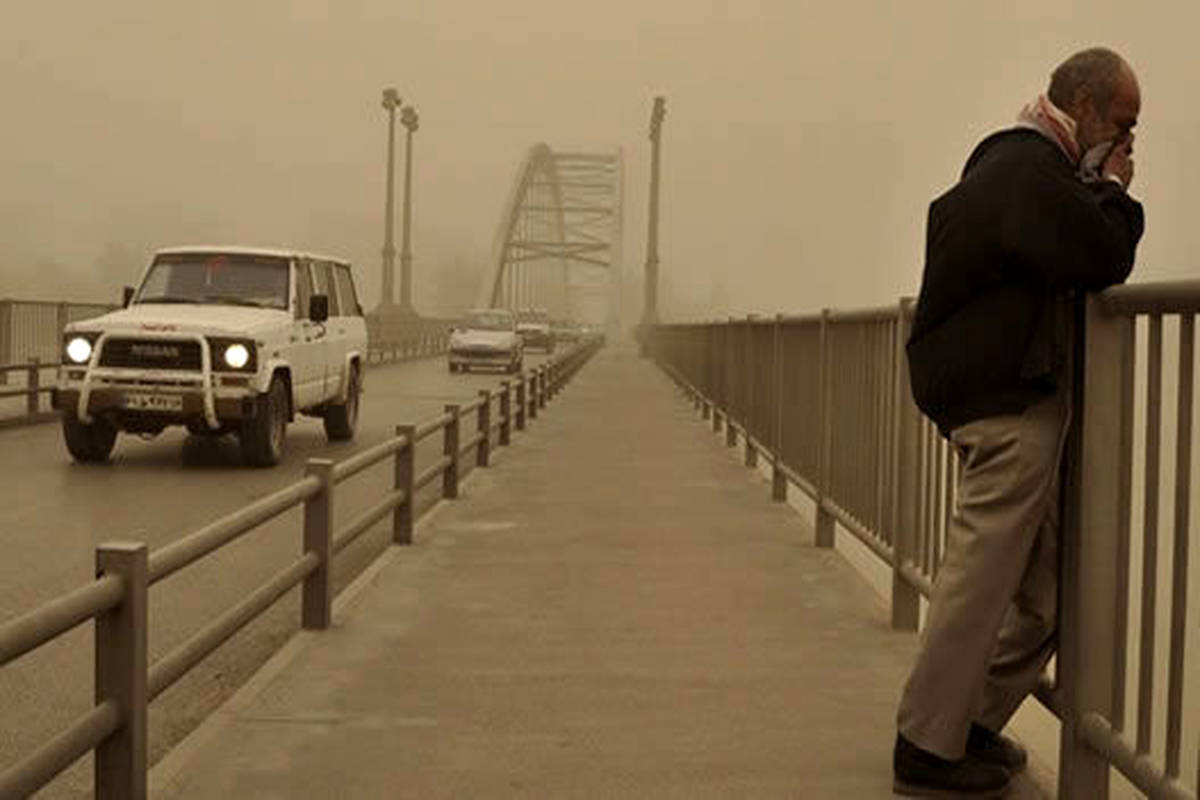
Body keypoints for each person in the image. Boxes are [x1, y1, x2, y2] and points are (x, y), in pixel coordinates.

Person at [894, 47, 1144, 797]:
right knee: (981, 581)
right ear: (1085, 106)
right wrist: (1114, 190)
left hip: (1007, 398)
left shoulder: (1014, 168)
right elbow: (1102, 252)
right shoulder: (1027, 169)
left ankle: (966, 724)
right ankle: (926, 747)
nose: (1128, 140)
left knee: (1045, 589)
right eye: (1123, 122)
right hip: (1007, 405)